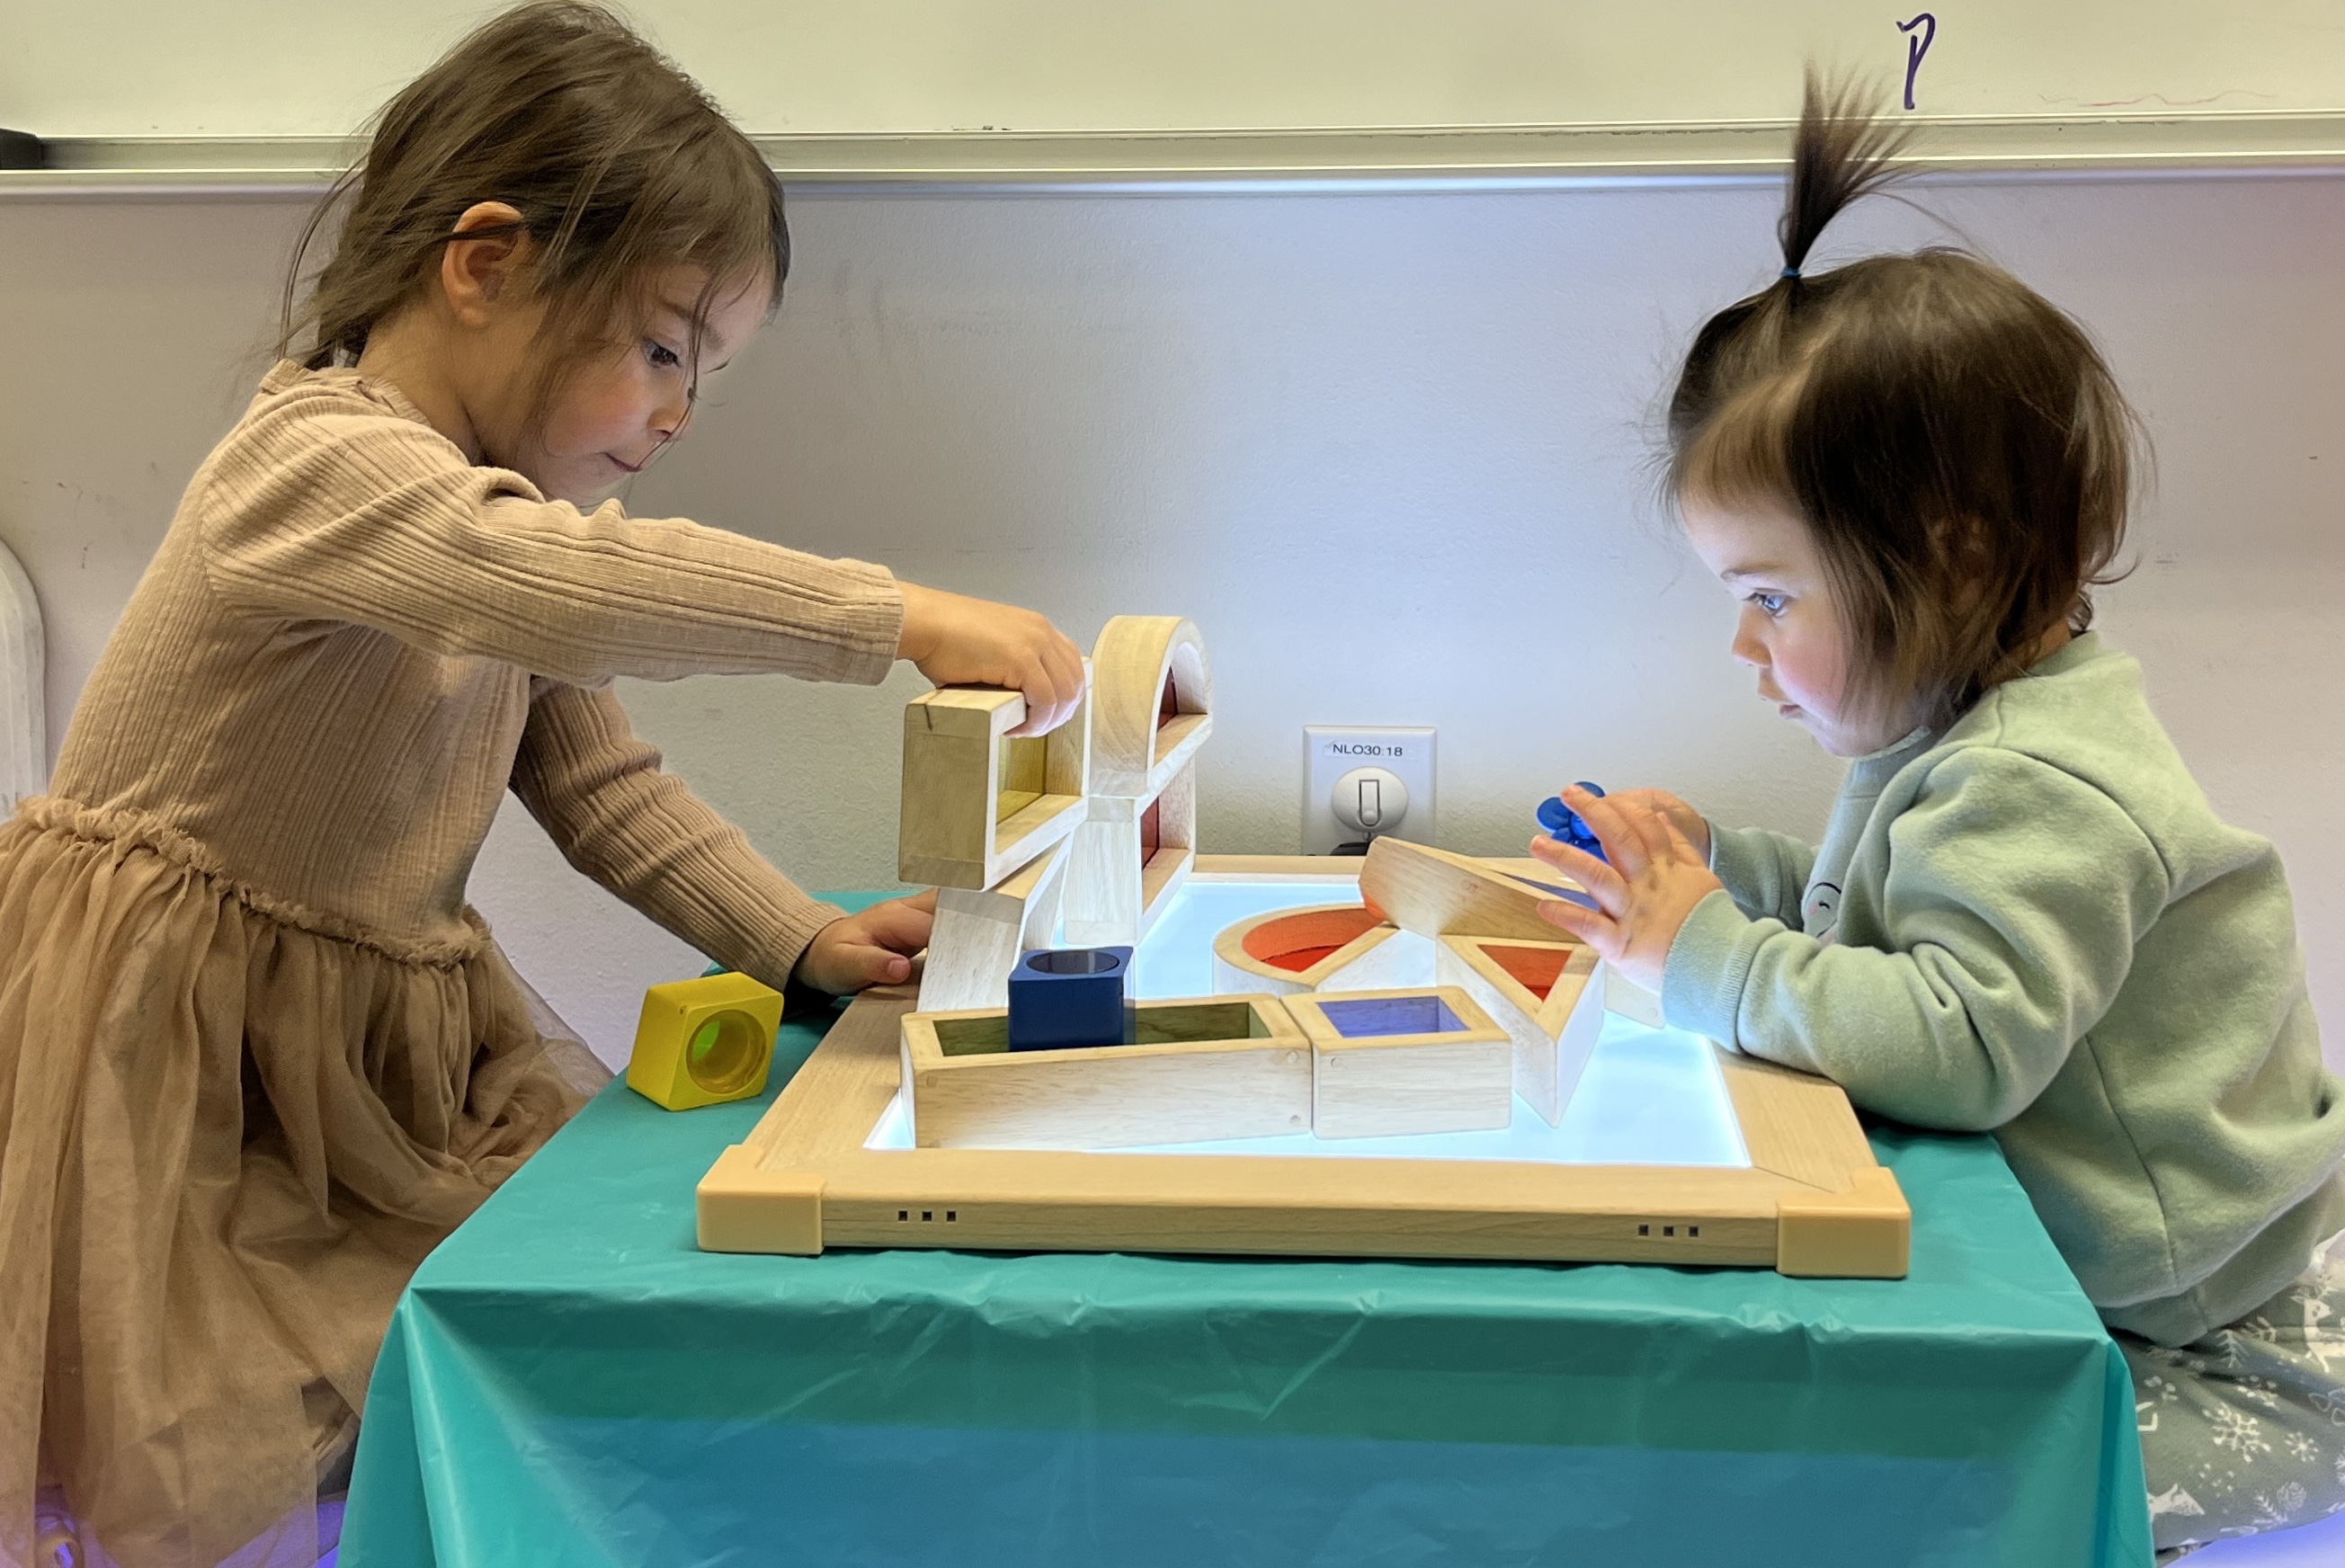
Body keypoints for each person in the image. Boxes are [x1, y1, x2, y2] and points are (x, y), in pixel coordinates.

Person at [0, 4, 1084, 1564]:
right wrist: (893, 618)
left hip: (356, 1056)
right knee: (203, 1443)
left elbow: (605, 787)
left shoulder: (485, 537)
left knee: (433, 1374)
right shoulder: (320, 462)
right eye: (660, 348)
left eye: (699, 374)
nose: (676, 415)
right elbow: (559, 588)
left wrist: (793, 938)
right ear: (487, 260)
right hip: (175, 1048)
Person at [1532, 75, 2345, 1561]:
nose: (1747, 649)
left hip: (2206, 1325)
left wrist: (1703, 953)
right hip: (2141, 1270)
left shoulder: (2040, 781)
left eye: (1770, 600)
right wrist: (1730, 875)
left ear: (1953, 565)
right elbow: (1881, 908)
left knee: (1930, 1494)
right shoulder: (1961, 725)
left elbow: (1960, 1046)